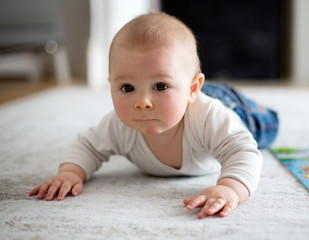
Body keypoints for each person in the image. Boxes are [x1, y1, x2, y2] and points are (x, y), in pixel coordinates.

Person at [29, 12, 278, 219]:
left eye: (159, 86)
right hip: (187, 92)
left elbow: (243, 151)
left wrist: (229, 188)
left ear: (193, 89)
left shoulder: (209, 116)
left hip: (231, 107)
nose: (142, 103)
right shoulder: (118, 126)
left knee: (264, 129)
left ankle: (255, 111)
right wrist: (71, 172)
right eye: (127, 88)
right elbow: (88, 146)